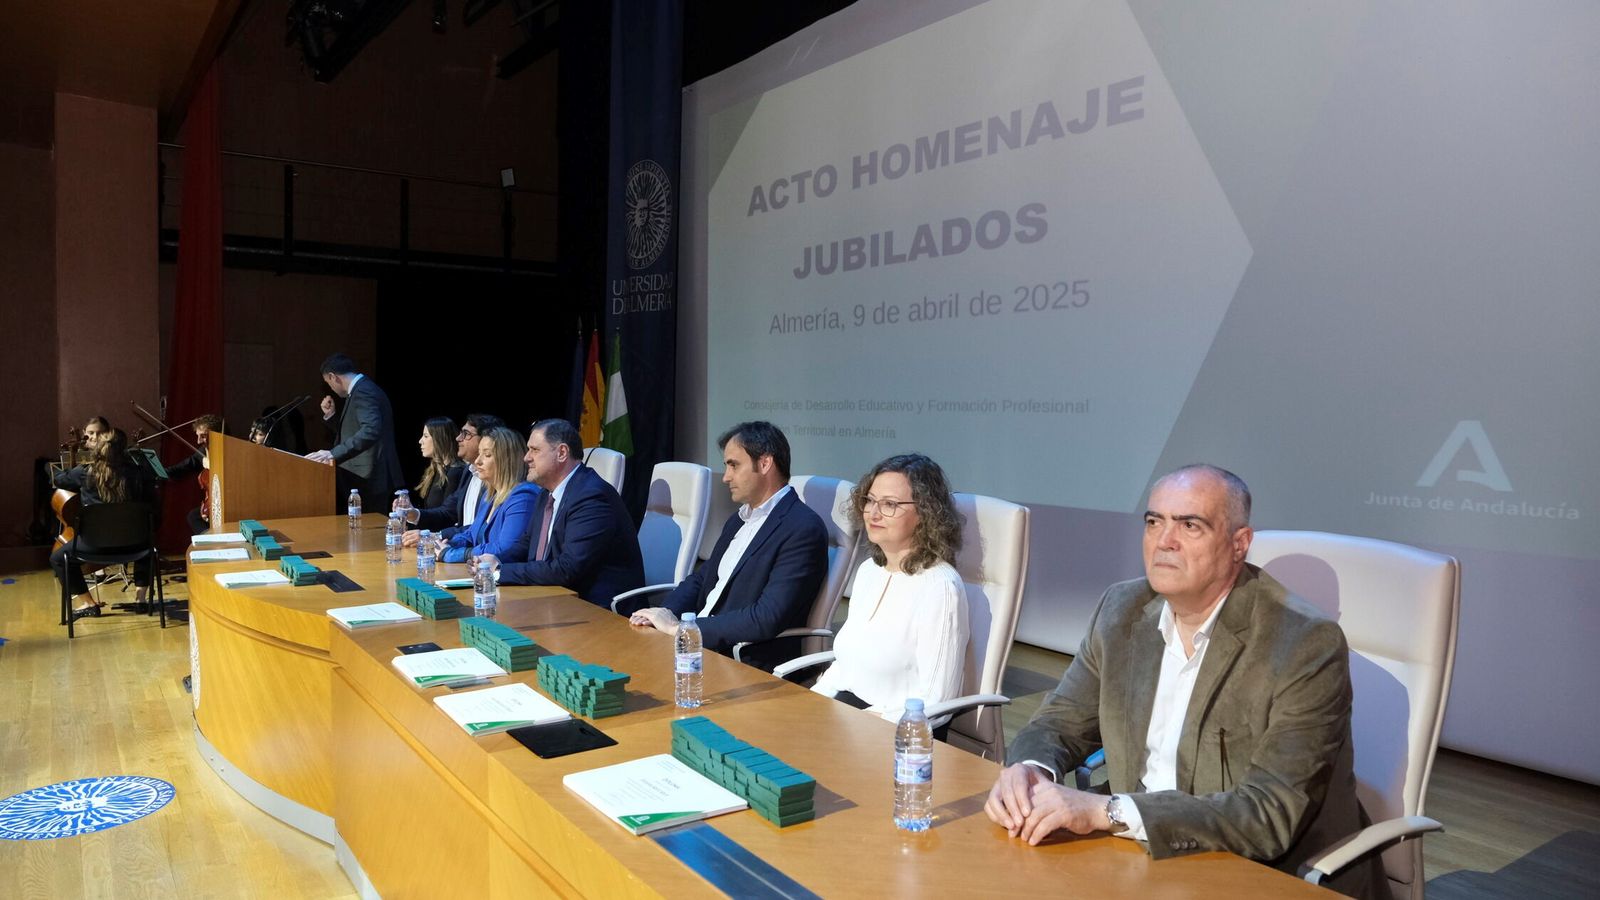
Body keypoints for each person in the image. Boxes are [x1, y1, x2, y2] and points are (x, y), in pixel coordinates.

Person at [984, 465, 1382, 899]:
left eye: (1190, 525)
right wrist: (1030, 773)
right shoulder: (1121, 609)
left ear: (1239, 544)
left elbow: (1269, 813)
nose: (1164, 541)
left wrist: (1108, 811)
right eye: (1154, 522)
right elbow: (1058, 723)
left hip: (1259, 871)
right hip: (1135, 860)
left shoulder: (1304, 643)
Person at [629, 421, 828, 671]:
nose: (725, 477)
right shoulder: (739, 518)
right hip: (699, 645)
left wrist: (682, 629)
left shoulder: (802, 528)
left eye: (734, 465)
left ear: (765, 463)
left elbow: (766, 617)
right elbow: (703, 579)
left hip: (739, 660)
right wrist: (663, 612)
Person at [809, 454, 968, 731]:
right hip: (846, 717)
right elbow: (845, 667)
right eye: (870, 500)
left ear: (926, 513)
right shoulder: (870, 570)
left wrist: (870, 722)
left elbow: (937, 700)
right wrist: (808, 705)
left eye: (890, 504)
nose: (873, 513)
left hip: (897, 735)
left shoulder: (941, 586)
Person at [481, 419, 643, 608]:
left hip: (596, 609)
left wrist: (500, 572)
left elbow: (568, 568)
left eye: (535, 450)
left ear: (562, 453)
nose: (526, 457)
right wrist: (495, 560)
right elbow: (527, 542)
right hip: (555, 598)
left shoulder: (591, 497)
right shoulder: (546, 492)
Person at [51, 428, 157, 618]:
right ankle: (141, 600)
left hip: (94, 546)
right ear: (123, 449)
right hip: (134, 545)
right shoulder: (139, 473)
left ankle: (89, 604)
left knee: (58, 559)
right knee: (147, 539)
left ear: (98, 449)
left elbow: (58, 479)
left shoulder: (84, 473)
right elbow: (151, 506)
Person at [305, 353, 404, 511]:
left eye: (328, 383)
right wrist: (331, 417)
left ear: (333, 377)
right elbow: (355, 431)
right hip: (366, 476)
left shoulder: (363, 391)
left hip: (370, 476)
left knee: (368, 530)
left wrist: (332, 453)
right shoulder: (361, 390)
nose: (331, 388)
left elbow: (371, 430)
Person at [436, 427, 539, 564]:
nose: (478, 461)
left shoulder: (523, 496)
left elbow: (504, 548)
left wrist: (452, 554)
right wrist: (442, 544)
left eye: (487, 455)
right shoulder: (489, 494)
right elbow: (471, 535)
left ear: (506, 460)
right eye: (479, 453)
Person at [401, 413, 504, 546]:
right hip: (461, 549)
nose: (458, 438)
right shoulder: (469, 472)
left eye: (466, 434)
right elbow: (448, 512)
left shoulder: (495, 480)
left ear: (485, 439)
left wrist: (435, 537)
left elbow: (478, 530)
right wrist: (414, 514)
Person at [164, 414, 224, 534]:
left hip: (230, 501)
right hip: (215, 502)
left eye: (203, 436)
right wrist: (160, 471)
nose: (198, 441)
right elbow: (183, 467)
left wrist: (215, 467)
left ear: (216, 434)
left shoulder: (229, 449)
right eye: (198, 436)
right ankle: (211, 541)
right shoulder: (203, 452)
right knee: (194, 516)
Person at [414, 416, 468, 509]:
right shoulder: (436, 469)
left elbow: (446, 514)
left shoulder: (455, 472)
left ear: (440, 439)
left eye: (426, 436)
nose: (420, 441)